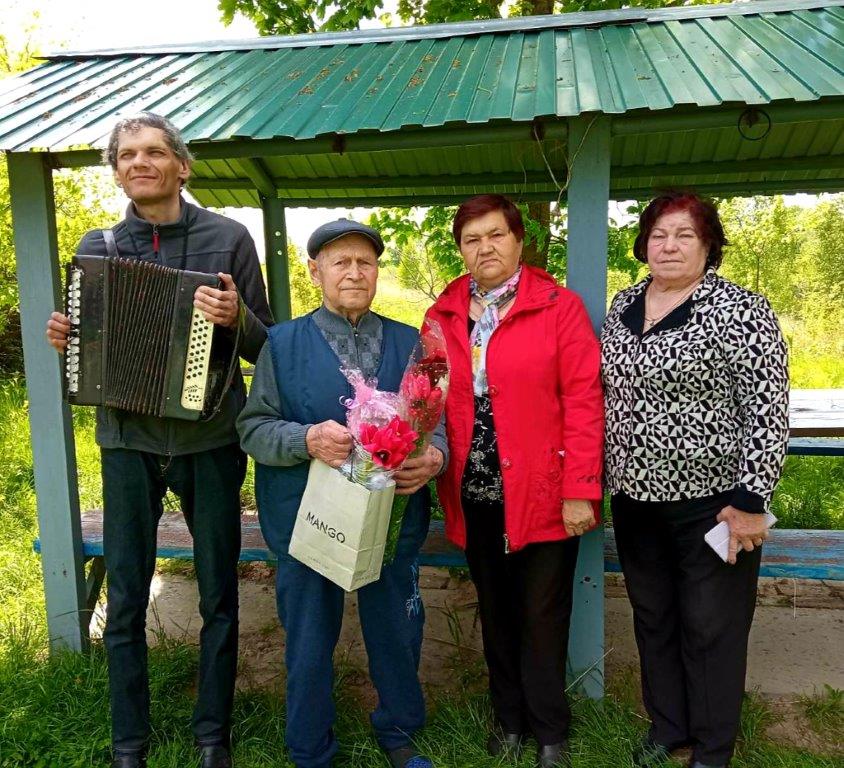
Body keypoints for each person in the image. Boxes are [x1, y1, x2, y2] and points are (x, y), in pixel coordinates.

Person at [45, 113, 273, 768]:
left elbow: (270, 343)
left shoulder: (227, 239)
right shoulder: (98, 246)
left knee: (217, 592)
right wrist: (71, 337)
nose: (137, 163)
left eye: (151, 152)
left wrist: (236, 320)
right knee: (124, 592)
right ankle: (129, 741)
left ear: (182, 164)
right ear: (117, 170)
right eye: (125, 155)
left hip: (209, 438)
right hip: (127, 439)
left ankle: (212, 736)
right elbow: (85, 358)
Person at [237, 218, 447, 768]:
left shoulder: (409, 342)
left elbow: (435, 421)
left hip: (391, 517)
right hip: (307, 522)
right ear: (315, 272)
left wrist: (433, 456)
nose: (354, 272)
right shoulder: (281, 344)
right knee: (307, 640)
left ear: (377, 271)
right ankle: (310, 746)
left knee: (397, 629)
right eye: (340, 262)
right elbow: (252, 427)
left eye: (365, 262)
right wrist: (305, 438)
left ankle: (400, 730)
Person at [601, 191, 789, 768]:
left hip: (713, 505)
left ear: (708, 245)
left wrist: (751, 499)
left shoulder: (740, 310)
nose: (669, 245)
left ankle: (711, 746)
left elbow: (767, 408)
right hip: (635, 500)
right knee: (653, 616)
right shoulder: (624, 303)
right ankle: (668, 728)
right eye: (659, 235)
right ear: (644, 244)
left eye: (684, 234)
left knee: (711, 626)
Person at [424, 194, 604, 768]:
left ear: (519, 240)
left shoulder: (558, 307)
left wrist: (580, 487)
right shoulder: (444, 313)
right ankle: (509, 720)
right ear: (461, 250)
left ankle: (550, 729)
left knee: (543, 615)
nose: (485, 248)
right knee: (496, 610)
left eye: (496, 235)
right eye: (472, 239)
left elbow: (583, 399)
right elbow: (425, 396)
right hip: (475, 494)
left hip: (546, 494)